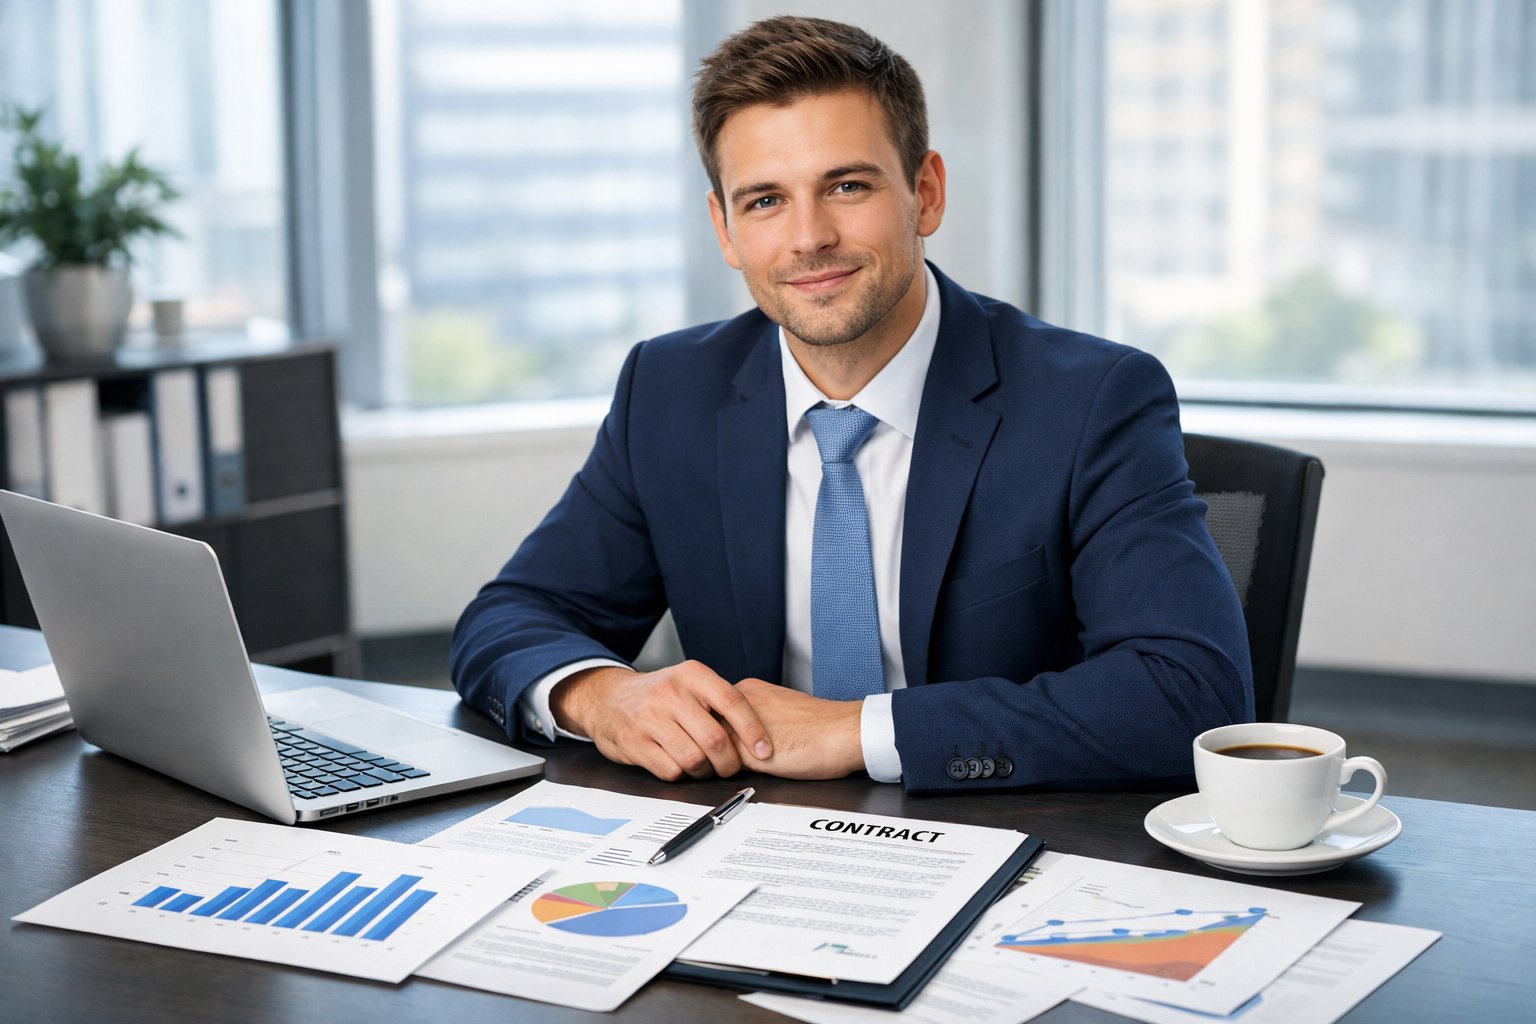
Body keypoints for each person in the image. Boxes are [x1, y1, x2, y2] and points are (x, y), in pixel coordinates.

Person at [451, 15, 1253, 792]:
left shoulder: (1090, 400)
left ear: (925, 193)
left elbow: (1189, 693)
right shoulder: (669, 390)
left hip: (1008, 832)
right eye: (765, 201)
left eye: (846, 185)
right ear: (724, 229)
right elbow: (512, 616)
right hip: (747, 836)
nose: (809, 237)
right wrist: (603, 696)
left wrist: (856, 731)